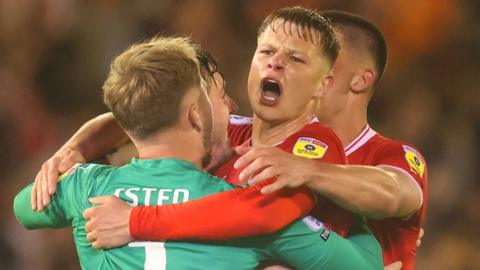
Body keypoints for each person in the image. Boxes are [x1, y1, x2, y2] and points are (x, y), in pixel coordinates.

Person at [26, 6, 386, 268]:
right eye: (266, 52)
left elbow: (261, 215)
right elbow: (141, 110)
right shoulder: (226, 133)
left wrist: (135, 220)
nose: (275, 63)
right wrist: (74, 147)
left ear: (323, 85)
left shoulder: (312, 150)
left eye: (295, 59)